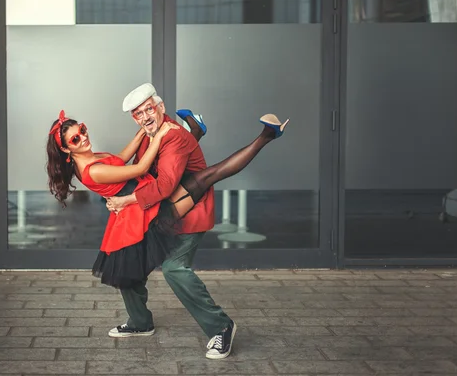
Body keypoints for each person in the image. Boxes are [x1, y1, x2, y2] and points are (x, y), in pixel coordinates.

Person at [46, 83, 289, 360]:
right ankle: (140, 323)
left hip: (160, 205)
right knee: (126, 266)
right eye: (75, 140)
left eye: (83, 131)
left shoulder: (158, 138)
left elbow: (144, 173)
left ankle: (221, 327)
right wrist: (154, 135)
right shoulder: (96, 165)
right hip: (143, 207)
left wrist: (127, 194)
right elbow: (136, 168)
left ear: (159, 107)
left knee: (175, 261)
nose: (83, 138)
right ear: (67, 150)